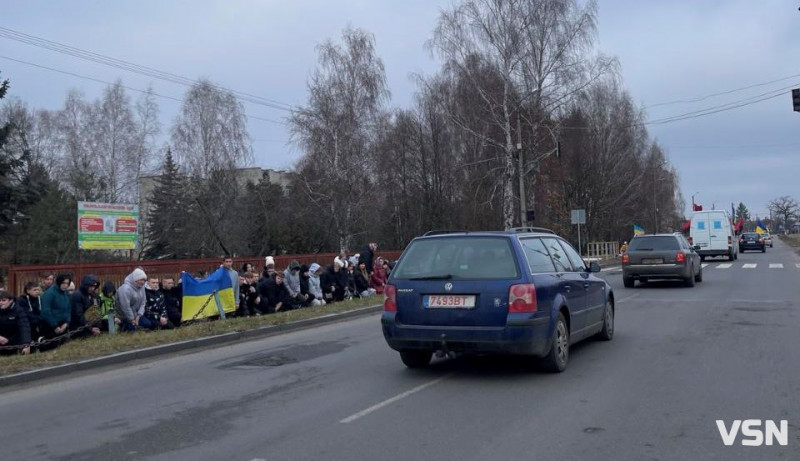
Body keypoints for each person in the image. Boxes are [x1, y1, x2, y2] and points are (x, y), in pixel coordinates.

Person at [40, 273, 72, 342]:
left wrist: (66, 323)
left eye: (67, 283)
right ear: (59, 282)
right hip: (51, 326)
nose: (65, 285)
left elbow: (69, 309)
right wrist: (55, 326)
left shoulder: (66, 293)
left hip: (63, 325)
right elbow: (46, 311)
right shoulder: (49, 293)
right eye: (63, 283)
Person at [0, 291, 31, 356]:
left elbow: (24, 327)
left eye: (3, 300)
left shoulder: (18, 311)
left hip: (14, 340)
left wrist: (26, 344)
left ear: (11, 301)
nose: (1, 303)